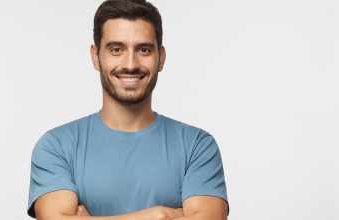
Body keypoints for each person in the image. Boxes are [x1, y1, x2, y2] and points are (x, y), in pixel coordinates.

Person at [27, 0, 229, 219]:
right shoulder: (56, 146)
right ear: (96, 57)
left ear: (161, 58)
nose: (130, 64)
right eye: (116, 49)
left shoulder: (197, 146)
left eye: (143, 49)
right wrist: (157, 215)